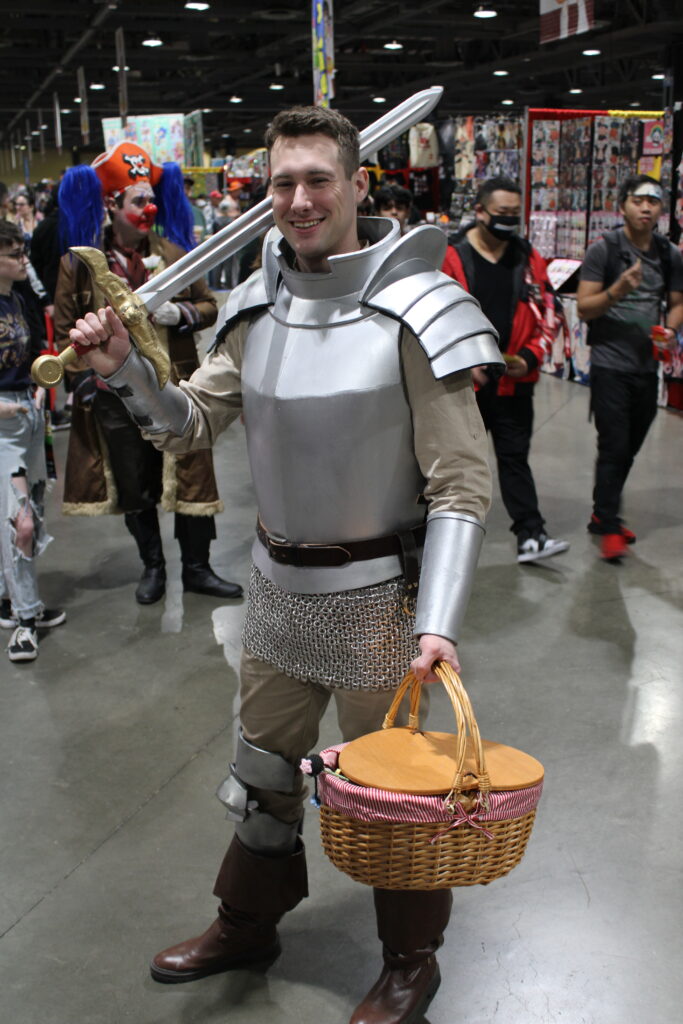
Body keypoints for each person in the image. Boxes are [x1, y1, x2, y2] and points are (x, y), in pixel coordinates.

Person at [67, 104, 502, 1024]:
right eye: (282, 183)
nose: (299, 200)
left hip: (380, 600)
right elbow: (190, 422)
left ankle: (408, 961)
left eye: (316, 180)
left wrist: (438, 624)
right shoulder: (256, 304)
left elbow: (461, 483)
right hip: (276, 591)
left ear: (354, 184)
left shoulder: (419, 309)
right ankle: (247, 922)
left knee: (390, 795)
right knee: (261, 770)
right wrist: (121, 368)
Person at [54, 142, 242, 605]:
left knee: (193, 474)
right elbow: (62, 333)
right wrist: (86, 380)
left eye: (150, 198)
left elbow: (207, 306)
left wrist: (178, 314)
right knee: (134, 482)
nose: (149, 208)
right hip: (113, 394)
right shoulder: (78, 264)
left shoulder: (175, 252)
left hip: (177, 383)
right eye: (138, 200)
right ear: (111, 204)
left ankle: (198, 568)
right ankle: (153, 567)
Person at [443, 176, 569, 564]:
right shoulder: (452, 257)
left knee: (515, 457)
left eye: (515, 215)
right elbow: (439, 319)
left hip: (516, 381)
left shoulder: (527, 257)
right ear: (480, 212)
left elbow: (549, 310)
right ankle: (443, 545)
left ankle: (531, 534)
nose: (509, 223)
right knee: (456, 467)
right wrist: (465, 363)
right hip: (465, 385)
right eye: (501, 214)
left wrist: (531, 357)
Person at [577, 174, 683, 561]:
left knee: (630, 448)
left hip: (646, 367)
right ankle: (608, 522)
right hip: (609, 365)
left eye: (654, 202)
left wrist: (670, 329)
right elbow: (584, 308)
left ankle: (600, 512)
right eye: (639, 200)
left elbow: (676, 301)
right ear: (623, 205)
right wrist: (619, 289)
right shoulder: (604, 251)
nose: (646, 208)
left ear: (660, 210)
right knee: (615, 445)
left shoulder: (669, 254)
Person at [0, 220, 65, 663]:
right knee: (18, 522)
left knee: (32, 514)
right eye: (12, 252)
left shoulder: (19, 297)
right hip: (4, 423)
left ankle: (12, 601)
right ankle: (24, 620)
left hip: (29, 412)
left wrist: (39, 386)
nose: (23, 258)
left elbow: (38, 348)